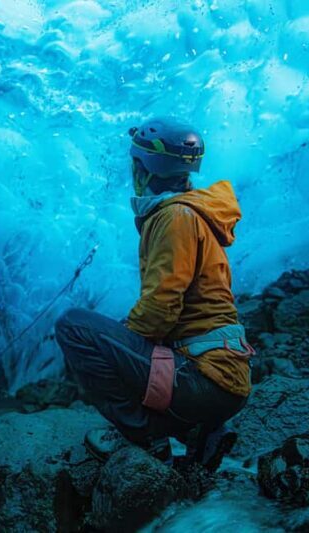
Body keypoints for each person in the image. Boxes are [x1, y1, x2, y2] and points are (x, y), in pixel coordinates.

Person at [54, 118, 254, 471]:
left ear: (143, 169)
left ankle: (146, 437)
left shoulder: (175, 217)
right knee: (121, 337)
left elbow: (161, 308)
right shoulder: (189, 212)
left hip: (204, 380)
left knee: (74, 327)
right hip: (222, 377)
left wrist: (120, 349)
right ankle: (196, 430)